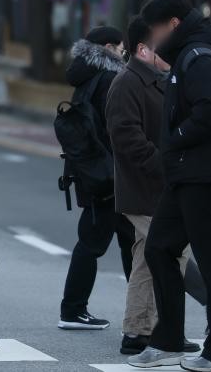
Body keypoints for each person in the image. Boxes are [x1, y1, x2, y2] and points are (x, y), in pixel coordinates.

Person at [129, 0, 211, 372]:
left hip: (203, 175)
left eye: (157, 29)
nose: (154, 37)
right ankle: (168, 340)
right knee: (159, 248)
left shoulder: (196, 58)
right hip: (185, 174)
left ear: (173, 24)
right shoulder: (188, 56)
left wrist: (173, 137)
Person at [107, 17, 206, 356]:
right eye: (159, 43)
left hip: (155, 188)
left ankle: (138, 331)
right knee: (169, 256)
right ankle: (155, 331)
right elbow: (128, 139)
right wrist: (166, 166)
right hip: (145, 189)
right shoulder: (127, 83)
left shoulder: (152, 81)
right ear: (142, 49)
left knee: (146, 260)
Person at [58, 26, 135, 331]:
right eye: (120, 49)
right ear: (108, 47)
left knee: (129, 242)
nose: (123, 54)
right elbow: (115, 128)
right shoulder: (108, 79)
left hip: (94, 172)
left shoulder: (86, 76)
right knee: (101, 243)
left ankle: (141, 310)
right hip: (110, 175)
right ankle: (74, 310)